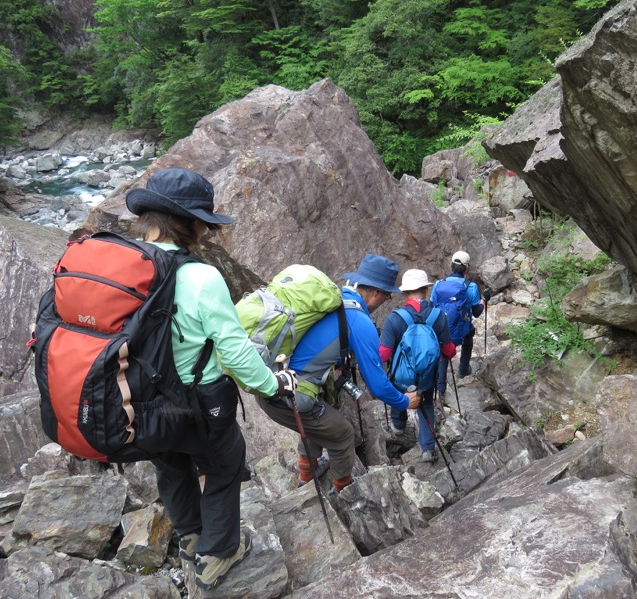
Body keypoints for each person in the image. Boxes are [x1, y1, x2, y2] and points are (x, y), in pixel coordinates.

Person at [125, 167, 297, 591]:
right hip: (200, 398)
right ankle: (218, 553)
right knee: (225, 464)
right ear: (191, 223)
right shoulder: (201, 277)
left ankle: (190, 536)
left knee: (169, 460)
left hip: (141, 397)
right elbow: (235, 351)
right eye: (203, 220)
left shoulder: (126, 268)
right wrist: (273, 385)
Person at [255, 254, 421, 493]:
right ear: (375, 292)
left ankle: (306, 479)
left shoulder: (333, 300)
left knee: (319, 424)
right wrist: (405, 401)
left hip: (270, 383)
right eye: (387, 295)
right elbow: (377, 385)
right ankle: (344, 492)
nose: (386, 300)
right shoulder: (360, 322)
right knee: (343, 435)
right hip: (289, 396)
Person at [379, 269, 456, 462]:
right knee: (426, 403)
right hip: (427, 376)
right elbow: (449, 351)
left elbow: (384, 354)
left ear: (404, 293)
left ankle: (398, 427)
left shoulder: (395, 318)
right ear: (426, 290)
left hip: (401, 376)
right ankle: (428, 448)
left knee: (398, 395)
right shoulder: (439, 317)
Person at [431, 250, 487, 396]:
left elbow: (432, 306)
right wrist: (484, 300)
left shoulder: (438, 284)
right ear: (466, 268)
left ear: (451, 265)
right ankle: (463, 369)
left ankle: (440, 390)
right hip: (461, 329)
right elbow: (476, 312)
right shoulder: (470, 287)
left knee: (443, 354)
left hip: (441, 327)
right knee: (469, 336)